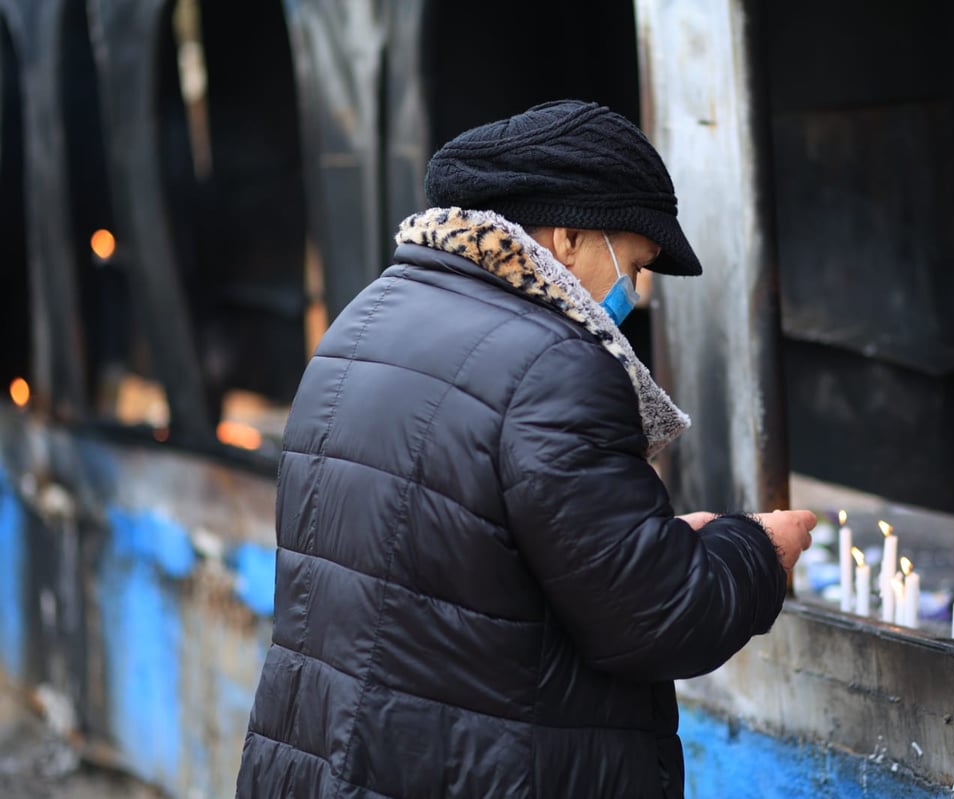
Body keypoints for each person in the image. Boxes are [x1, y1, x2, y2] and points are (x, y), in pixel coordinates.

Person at [236, 100, 816, 799]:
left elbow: (472, 563)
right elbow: (657, 615)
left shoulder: (363, 322)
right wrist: (755, 550)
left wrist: (655, 542)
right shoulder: (556, 366)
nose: (633, 293)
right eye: (632, 264)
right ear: (568, 237)